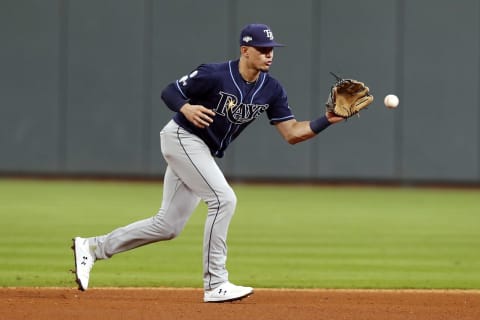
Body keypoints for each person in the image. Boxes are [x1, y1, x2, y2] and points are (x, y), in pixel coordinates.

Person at [72, 23, 345, 303]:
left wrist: (328, 120)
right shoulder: (215, 74)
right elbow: (170, 91)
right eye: (262, 49)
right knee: (223, 199)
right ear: (245, 50)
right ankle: (216, 282)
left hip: (201, 149)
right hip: (182, 137)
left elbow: (292, 133)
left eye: (272, 50)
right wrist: (186, 107)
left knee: (167, 226)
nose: (269, 55)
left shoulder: (272, 89)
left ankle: (92, 248)